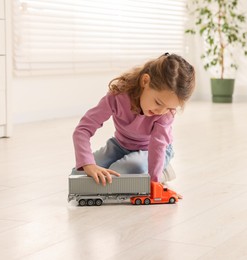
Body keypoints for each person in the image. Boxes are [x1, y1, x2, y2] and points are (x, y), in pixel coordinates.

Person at [73, 53, 195, 186]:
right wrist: (88, 164)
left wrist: (154, 179)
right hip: (120, 145)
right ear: (145, 81)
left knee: (118, 173)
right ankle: (142, 170)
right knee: (79, 174)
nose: (161, 111)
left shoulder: (165, 114)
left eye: (169, 108)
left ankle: (162, 171)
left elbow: (158, 146)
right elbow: (83, 130)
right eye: (158, 102)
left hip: (153, 150)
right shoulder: (117, 96)